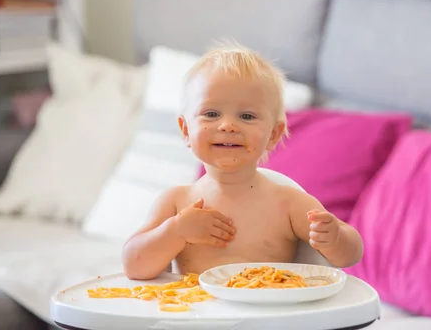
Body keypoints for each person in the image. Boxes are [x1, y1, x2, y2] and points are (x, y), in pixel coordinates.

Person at [122, 43, 363, 280]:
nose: (227, 125)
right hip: (195, 316)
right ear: (186, 130)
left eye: (247, 116)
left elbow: (350, 254)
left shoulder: (287, 202)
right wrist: (176, 231)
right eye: (211, 114)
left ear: (273, 135)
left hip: (265, 317)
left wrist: (334, 239)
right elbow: (134, 266)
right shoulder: (176, 203)